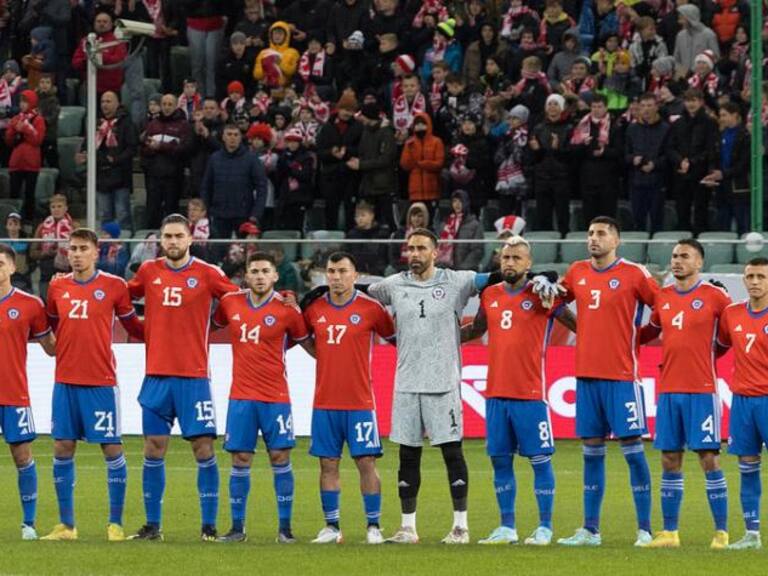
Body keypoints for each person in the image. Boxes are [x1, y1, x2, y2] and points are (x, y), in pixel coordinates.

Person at [365, 229, 492, 544]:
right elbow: (361, 289)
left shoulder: (456, 281)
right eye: (411, 249)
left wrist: (533, 276)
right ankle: (408, 528)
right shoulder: (394, 284)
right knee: (407, 455)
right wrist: (323, 288)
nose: (415, 254)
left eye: (421, 248)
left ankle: (460, 527)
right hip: (406, 384)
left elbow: (494, 278)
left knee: (452, 453)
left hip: (442, 383)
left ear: (436, 252)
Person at [127, 214, 238, 541]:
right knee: (153, 448)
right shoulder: (148, 271)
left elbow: (235, 301)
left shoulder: (208, 273)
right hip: (156, 376)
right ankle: (152, 525)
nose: (173, 241)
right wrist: (140, 329)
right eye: (168, 236)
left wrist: (215, 323)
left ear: (190, 239)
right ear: (160, 240)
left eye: (178, 236)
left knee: (203, 448)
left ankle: (208, 526)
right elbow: (121, 296)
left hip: (193, 377)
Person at [464, 236, 575, 545]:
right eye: (506, 257)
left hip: (530, 395)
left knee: (539, 460)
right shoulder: (490, 294)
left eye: (516, 258)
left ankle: (545, 527)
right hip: (496, 395)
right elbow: (477, 329)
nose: (510, 262)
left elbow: (576, 324)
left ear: (528, 263)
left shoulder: (542, 294)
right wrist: (442, 338)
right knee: (500, 461)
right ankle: (507, 527)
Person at [557, 216, 659, 547]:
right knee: (591, 453)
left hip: (622, 377)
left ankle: (645, 530)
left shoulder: (634, 274)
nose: (594, 238)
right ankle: (590, 530)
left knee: (633, 452)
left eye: (601, 233)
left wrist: (642, 336)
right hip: (586, 376)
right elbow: (555, 304)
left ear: (616, 240)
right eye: (590, 233)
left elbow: (665, 307)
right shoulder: (577, 271)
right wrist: (579, 327)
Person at [41, 228, 143, 542]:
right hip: (65, 381)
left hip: (101, 381)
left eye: (83, 248)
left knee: (111, 448)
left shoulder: (114, 286)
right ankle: (66, 526)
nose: (76, 254)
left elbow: (133, 327)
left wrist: (167, 332)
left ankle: (115, 524)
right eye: (72, 249)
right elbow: (50, 328)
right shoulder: (57, 286)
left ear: (96, 252)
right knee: (62, 447)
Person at [637, 239, 730, 549]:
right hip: (668, 390)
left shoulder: (716, 296)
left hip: (702, 390)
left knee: (708, 458)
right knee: (669, 458)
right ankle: (670, 533)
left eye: (684, 256)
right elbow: (649, 332)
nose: (677, 261)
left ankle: (721, 532)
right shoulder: (662, 297)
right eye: (675, 256)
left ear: (699, 263)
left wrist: (706, 358)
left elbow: (728, 337)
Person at [213, 252, 309, 543]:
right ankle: (237, 528)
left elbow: (303, 340)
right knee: (240, 458)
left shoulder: (288, 309)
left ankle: (285, 529)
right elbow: (212, 324)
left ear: (275, 276)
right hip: (241, 396)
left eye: (265, 271)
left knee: (279, 456)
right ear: (246, 275)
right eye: (254, 271)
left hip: (275, 396)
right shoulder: (230, 302)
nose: (259, 276)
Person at [301, 252, 395, 544]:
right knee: (327, 464)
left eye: (343, 271)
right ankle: (332, 527)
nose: (336, 277)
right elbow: (303, 339)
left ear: (356, 275)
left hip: (360, 403)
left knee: (366, 463)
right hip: (324, 402)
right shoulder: (314, 308)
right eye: (331, 271)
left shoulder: (371, 308)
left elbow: (395, 339)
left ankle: (373, 526)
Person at [0, 242, 55, 541]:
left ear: (12, 267)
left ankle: (29, 524)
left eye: (0, 263)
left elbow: (51, 348)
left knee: (22, 456)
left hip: (14, 393)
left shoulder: (30, 305)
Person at [716, 257, 768, 550]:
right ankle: (751, 534)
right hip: (743, 402)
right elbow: (719, 346)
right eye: (750, 276)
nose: (755, 282)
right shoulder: (732, 313)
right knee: (747, 467)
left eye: (761, 276)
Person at [201, 123, 267, 257]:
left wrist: (255, 214)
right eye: (229, 134)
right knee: (217, 255)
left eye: (236, 135)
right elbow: (206, 187)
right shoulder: (214, 159)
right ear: (223, 137)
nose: (232, 138)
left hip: (244, 215)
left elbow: (262, 188)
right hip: (219, 215)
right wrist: (206, 212)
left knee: (244, 256)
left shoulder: (251, 159)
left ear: (241, 137)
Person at [668, 89, 718, 234]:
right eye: (688, 100)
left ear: (701, 102)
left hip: (701, 173)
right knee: (681, 209)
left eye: (694, 100)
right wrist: (680, 161)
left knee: (701, 210)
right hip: (681, 173)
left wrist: (692, 162)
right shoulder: (678, 123)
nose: (691, 104)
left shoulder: (710, 123)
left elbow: (711, 149)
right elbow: (670, 147)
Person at [570, 93, 624, 223]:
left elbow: (620, 151)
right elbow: (573, 150)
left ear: (606, 108)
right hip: (588, 177)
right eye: (594, 107)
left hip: (608, 178)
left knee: (607, 217)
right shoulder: (582, 125)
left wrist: (604, 152)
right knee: (590, 216)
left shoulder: (615, 126)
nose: (596, 110)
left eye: (599, 107)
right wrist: (583, 145)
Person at [141, 94, 191, 229]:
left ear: (176, 106)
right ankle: (151, 237)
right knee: (152, 210)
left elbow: (184, 149)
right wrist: (151, 149)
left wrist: (161, 147)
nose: (167, 107)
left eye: (170, 104)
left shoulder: (183, 125)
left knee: (171, 211)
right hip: (154, 175)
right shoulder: (152, 124)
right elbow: (144, 147)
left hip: (173, 176)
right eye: (164, 104)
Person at [347, 101, 398, 230]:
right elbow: (363, 153)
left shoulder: (386, 133)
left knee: (387, 222)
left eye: (363, 116)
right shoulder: (365, 131)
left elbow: (385, 159)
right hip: (368, 185)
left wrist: (361, 165)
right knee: (369, 223)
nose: (361, 119)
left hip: (383, 186)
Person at [625, 93, 670, 233]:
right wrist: (633, 159)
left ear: (656, 107)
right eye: (643, 106)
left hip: (658, 182)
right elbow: (625, 154)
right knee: (638, 222)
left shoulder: (666, 128)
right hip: (636, 182)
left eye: (649, 105)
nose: (646, 109)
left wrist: (654, 164)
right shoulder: (632, 128)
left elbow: (669, 154)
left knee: (657, 222)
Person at [92, 91, 137, 232]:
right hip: (101, 177)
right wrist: (83, 154)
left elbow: (132, 148)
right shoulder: (96, 123)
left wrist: (116, 159)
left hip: (120, 176)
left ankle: (123, 244)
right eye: (102, 101)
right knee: (104, 216)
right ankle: (107, 245)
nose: (104, 104)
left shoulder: (126, 123)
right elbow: (88, 144)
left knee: (123, 216)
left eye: (108, 101)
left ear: (117, 103)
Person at [530, 93, 572, 234]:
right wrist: (537, 150)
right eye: (549, 104)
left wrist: (557, 148)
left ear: (562, 108)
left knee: (563, 217)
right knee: (543, 217)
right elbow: (534, 158)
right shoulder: (538, 128)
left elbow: (572, 156)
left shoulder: (569, 128)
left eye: (556, 104)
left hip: (561, 178)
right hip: (542, 178)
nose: (552, 107)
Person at [5, 89, 45, 223]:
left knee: (29, 195)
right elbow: (9, 141)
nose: (22, 104)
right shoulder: (16, 119)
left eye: (25, 102)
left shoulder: (38, 120)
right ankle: (13, 224)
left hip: (31, 164)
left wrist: (25, 129)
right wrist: (13, 129)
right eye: (21, 101)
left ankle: (28, 223)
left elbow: (37, 140)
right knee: (14, 195)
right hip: (16, 163)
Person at [30, 194, 75, 300]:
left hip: (67, 273)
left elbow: (79, 250)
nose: (56, 209)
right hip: (46, 273)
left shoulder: (74, 226)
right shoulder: (42, 227)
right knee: (46, 303)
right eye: (53, 207)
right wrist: (45, 253)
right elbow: (32, 253)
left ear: (66, 208)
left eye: (59, 206)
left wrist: (64, 252)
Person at [71, 10, 127, 95]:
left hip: (111, 89)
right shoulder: (86, 41)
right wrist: (87, 61)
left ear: (111, 24)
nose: (101, 24)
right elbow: (75, 62)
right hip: (89, 87)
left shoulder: (117, 42)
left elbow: (119, 60)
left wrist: (100, 56)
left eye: (105, 22)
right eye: (98, 21)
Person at [400, 113, 445, 213]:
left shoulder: (437, 142)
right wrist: (410, 149)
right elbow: (405, 164)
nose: (420, 127)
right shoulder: (410, 143)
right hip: (415, 191)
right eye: (417, 124)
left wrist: (421, 164)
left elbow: (438, 164)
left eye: (422, 124)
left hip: (432, 190)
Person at [437, 190, 483, 271]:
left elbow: (477, 250)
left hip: (466, 271)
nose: (457, 204)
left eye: (460, 201)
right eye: (454, 201)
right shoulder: (445, 224)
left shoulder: (475, 225)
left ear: (466, 203)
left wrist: (462, 269)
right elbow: (438, 248)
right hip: (446, 270)